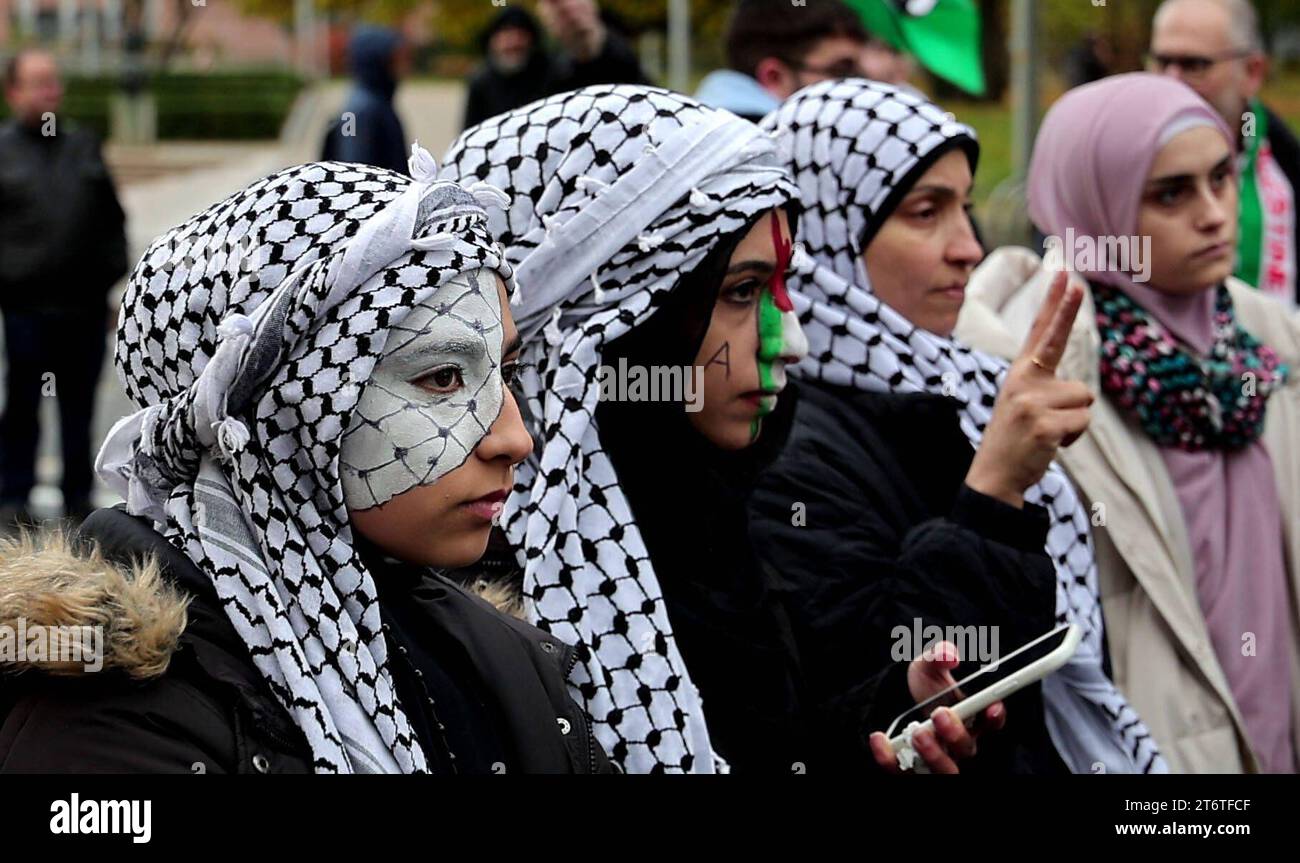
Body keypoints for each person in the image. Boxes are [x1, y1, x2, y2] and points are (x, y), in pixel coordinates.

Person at [442, 84, 1008, 774]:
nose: (790, 338)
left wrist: (887, 718)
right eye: (741, 292)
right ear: (622, 323)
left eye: (780, 288)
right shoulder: (500, 609)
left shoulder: (705, 506)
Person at [0, 148, 610, 774]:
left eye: (505, 374)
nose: (514, 438)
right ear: (287, 408)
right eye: (444, 377)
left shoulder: (500, 660)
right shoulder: (106, 727)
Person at [752, 78, 1166, 774]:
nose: (968, 247)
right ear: (824, 235)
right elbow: (886, 699)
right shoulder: (780, 441)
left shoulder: (959, 382)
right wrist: (995, 489)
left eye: (966, 209)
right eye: (925, 212)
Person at [958, 73, 1300, 773]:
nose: (1213, 214)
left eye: (1220, 179)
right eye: (1170, 193)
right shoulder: (1039, 369)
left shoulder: (1267, 336)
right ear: (1094, 203)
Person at [0, 49, 128, 527]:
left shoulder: (83, 146)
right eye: (36, 83)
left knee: (80, 408)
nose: (48, 92)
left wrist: (107, 276)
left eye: (53, 82)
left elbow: (113, 221)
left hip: (84, 310)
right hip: (25, 312)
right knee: (22, 407)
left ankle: (77, 496)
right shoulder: (4, 152)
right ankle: (14, 495)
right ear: (13, 92)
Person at [1150, 0, 1300, 306]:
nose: (1171, 81)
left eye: (1194, 65)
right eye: (1162, 62)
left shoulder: (1284, 165)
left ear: (1252, 72)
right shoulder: (1114, 160)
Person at [462, 1, 650, 130]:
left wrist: (588, 37)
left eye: (520, 34)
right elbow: (468, 134)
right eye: (505, 34)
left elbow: (611, 76)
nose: (513, 42)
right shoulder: (481, 82)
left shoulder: (553, 72)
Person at [694, 0, 868, 122]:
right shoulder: (773, 155)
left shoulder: (698, 129)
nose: (861, 84)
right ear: (774, 77)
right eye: (841, 71)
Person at [322, 25, 411, 175]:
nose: (403, 67)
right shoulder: (356, 111)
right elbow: (350, 169)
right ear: (377, 61)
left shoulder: (376, 102)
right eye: (395, 60)